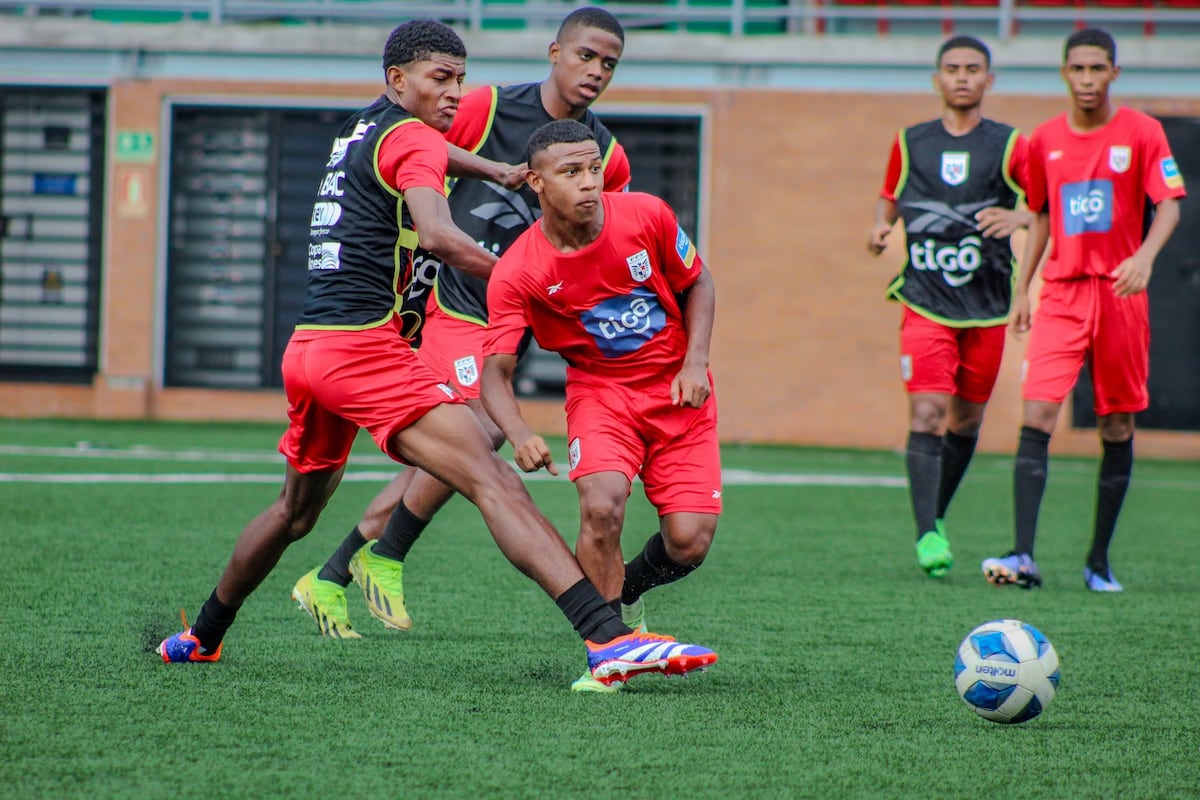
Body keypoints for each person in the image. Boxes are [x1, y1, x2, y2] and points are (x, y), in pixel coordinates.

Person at [159, 20, 717, 690]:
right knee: (492, 478)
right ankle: (607, 639)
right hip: (364, 350)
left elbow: (427, 159)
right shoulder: (420, 138)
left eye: (459, 78)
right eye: (439, 79)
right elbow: (438, 234)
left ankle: (201, 637)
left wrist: (491, 168)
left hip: (308, 350)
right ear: (397, 80)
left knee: (294, 512)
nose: (455, 93)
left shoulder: (361, 130)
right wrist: (518, 279)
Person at [291, 7, 631, 639]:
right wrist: (427, 254)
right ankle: (379, 560)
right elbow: (420, 151)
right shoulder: (489, 107)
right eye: (586, 56)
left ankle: (336, 573)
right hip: (452, 298)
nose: (596, 71)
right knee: (478, 442)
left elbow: (599, 231)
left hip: (514, 317)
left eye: (609, 63)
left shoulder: (605, 152)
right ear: (556, 52)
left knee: (464, 447)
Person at [481, 119, 721, 692]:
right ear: (537, 182)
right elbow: (495, 371)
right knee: (602, 505)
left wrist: (695, 362)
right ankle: (608, 650)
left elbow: (700, 282)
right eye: (571, 172)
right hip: (600, 393)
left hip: (676, 392)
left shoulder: (646, 214)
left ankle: (626, 593)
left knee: (689, 544)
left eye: (594, 168)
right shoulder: (519, 270)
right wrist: (518, 434)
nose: (589, 182)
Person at [981, 28, 1185, 592]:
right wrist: (1023, 291)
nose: (1088, 80)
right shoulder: (1042, 141)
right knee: (1038, 414)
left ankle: (1098, 563)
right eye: (1079, 70)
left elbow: (1167, 205)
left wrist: (1144, 256)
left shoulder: (1143, 132)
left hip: (1120, 295)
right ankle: (1023, 555)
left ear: (1114, 73)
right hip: (1064, 294)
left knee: (1117, 423)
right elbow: (1042, 217)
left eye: (1098, 69)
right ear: (1065, 73)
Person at [867, 35, 1029, 578]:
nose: (962, 77)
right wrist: (881, 224)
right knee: (929, 412)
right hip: (925, 301)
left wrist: (1021, 220)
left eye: (973, 69)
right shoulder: (911, 141)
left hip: (986, 306)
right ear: (937, 79)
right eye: (953, 68)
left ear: (989, 80)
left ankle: (933, 513)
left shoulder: (1010, 145)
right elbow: (890, 193)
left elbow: (1044, 207)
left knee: (966, 418)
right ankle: (926, 535)